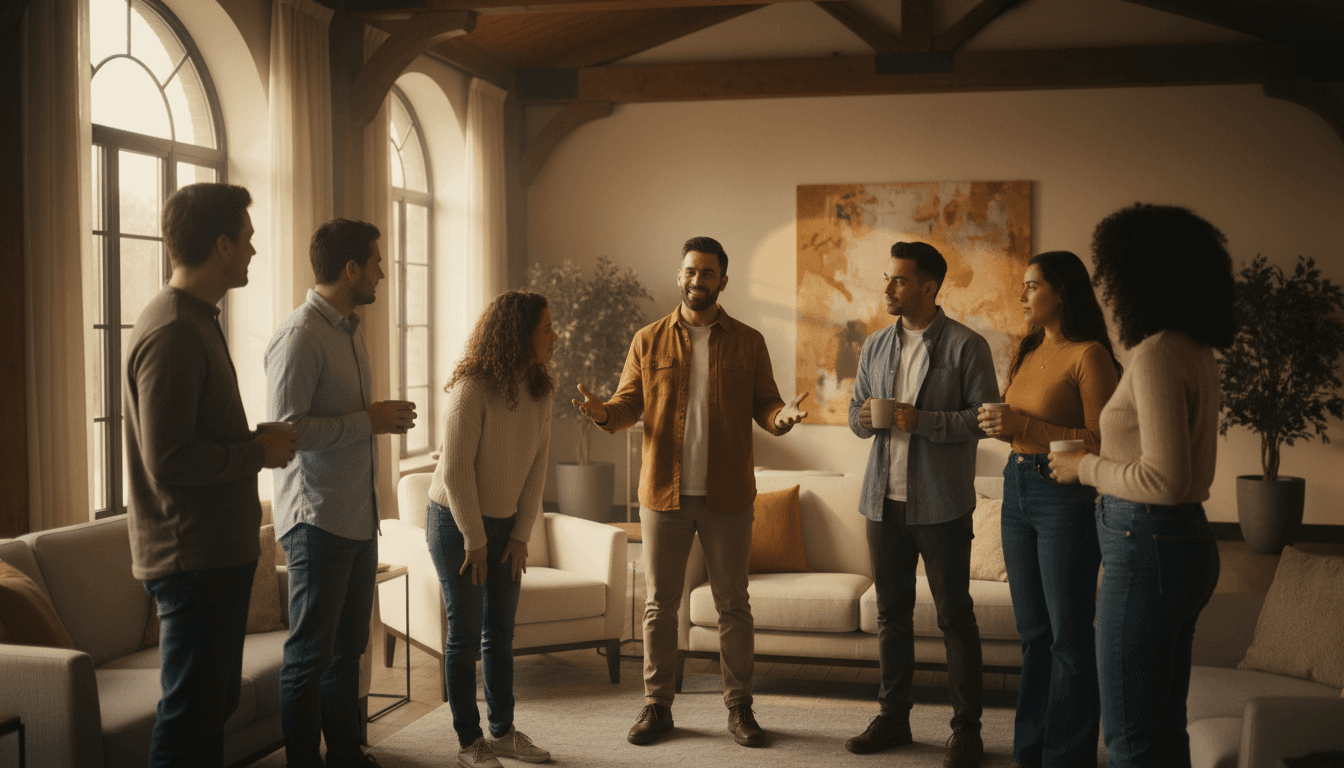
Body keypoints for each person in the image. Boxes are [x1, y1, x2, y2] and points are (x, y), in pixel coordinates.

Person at [573, 236, 808, 749]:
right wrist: (603, 413)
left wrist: (781, 418)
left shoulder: (749, 341)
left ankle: (740, 708)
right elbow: (627, 405)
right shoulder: (647, 340)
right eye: (690, 271)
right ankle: (657, 706)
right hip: (663, 493)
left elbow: (766, 404)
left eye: (707, 273)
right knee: (660, 604)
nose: (696, 280)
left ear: (723, 281)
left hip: (729, 496)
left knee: (733, 605)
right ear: (680, 275)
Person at [1050, 203, 1234, 768]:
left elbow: (1164, 478)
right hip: (1183, 544)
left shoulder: (1155, 355)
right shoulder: (1195, 349)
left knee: (1131, 737)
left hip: (1148, 545)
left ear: (1136, 275)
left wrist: (1084, 467)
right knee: (1162, 728)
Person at [124, 182, 298, 768]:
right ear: (221, 244)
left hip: (213, 556)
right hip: (193, 561)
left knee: (209, 711)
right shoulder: (173, 329)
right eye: (246, 238)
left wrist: (253, 441)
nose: (253, 250)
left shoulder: (194, 318)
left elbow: (194, 438)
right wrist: (257, 454)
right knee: (189, 722)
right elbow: (169, 460)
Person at [266, 218, 416, 768]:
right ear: (351, 268)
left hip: (357, 517)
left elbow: (347, 419)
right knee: (309, 656)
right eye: (375, 263)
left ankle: (347, 755)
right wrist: (367, 421)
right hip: (317, 519)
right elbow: (287, 431)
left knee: (348, 651)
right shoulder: (300, 335)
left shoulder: (351, 331)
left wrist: (372, 420)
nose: (382, 272)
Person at [846, 241, 997, 768]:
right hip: (881, 502)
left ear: (929, 287)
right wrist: (864, 417)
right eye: (887, 278)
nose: (888, 288)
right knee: (892, 616)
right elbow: (855, 412)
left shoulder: (967, 345)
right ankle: (893, 719)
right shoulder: (875, 345)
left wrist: (924, 421)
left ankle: (967, 730)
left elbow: (984, 419)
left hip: (942, 505)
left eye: (900, 280)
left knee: (955, 617)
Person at [977, 251, 1120, 768]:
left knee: (1068, 636)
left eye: (1032, 286)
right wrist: (1004, 427)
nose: (1022, 295)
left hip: (1063, 495)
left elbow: (1102, 441)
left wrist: (1024, 427)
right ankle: (1030, 751)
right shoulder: (1028, 349)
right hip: (1016, 486)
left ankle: (1067, 756)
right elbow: (1024, 427)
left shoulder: (1090, 355)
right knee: (1034, 634)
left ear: (1062, 292)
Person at [427, 290, 559, 768]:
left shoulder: (541, 391)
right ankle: (470, 741)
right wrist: (475, 539)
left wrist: (522, 534)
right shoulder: (471, 390)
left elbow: (537, 468)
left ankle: (502, 732)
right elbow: (456, 470)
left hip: (506, 526)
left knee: (500, 633)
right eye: (546, 329)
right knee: (464, 636)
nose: (555, 337)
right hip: (455, 522)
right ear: (519, 335)